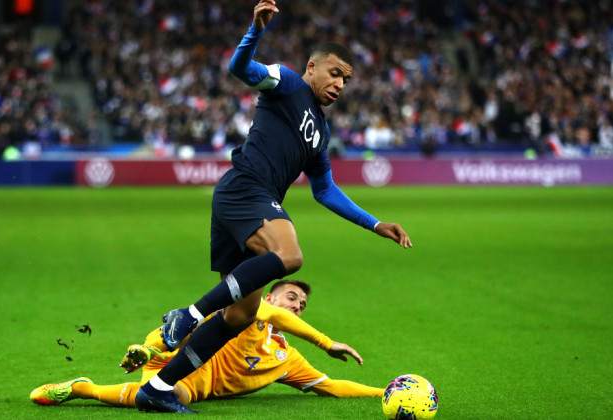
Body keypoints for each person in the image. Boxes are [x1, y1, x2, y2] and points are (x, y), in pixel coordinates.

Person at [138, 0, 412, 413]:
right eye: (334, 73)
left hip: (245, 202)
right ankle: (190, 314)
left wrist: (376, 225)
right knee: (289, 255)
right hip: (246, 188)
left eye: (346, 79)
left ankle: (158, 386)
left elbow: (326, 191)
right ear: (312, 67)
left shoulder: (320, 131)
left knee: (240, 317)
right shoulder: (285, 82)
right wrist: (256, 29)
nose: (339, 84)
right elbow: (240, 69)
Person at [30, 280, 384, 408]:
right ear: (271, 298)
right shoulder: (250, 311)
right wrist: (326, 342)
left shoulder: (286, 359)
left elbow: (332, 386)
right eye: (291, 298)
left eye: (302, 305)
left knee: (158, 400)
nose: (297, 306)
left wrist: (383, 392)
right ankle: (146, 353)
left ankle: (82, 388)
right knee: (177, 334)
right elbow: (277, 317)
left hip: (193, 386)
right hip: (177, 355)